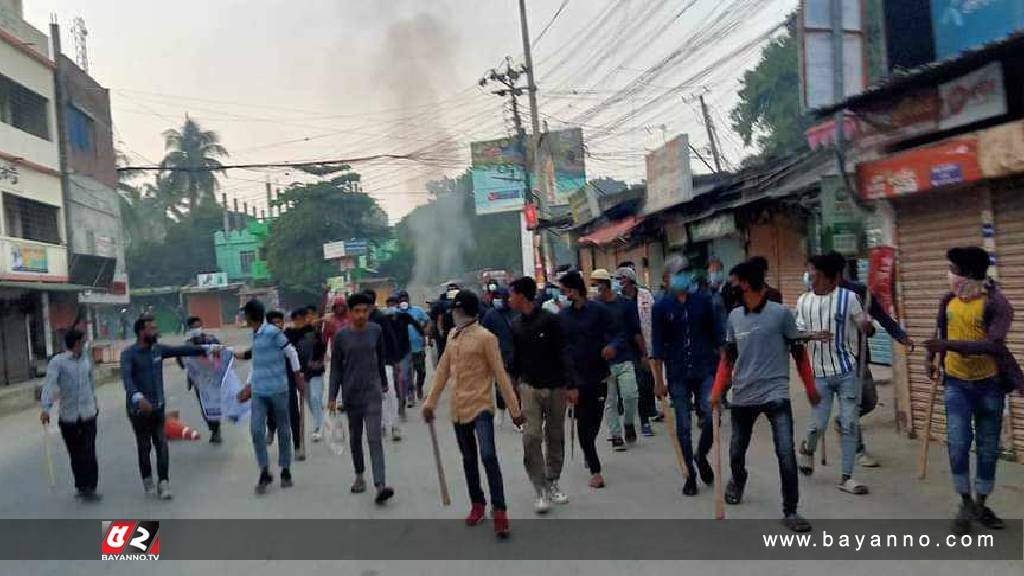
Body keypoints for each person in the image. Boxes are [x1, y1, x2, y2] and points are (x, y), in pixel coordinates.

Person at [711, 260, 821, 532]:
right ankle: (738, 480)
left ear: (747, 283)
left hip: (776, 392)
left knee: (785, 452)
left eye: (735, 281)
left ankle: (791, 510)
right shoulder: (734, 317)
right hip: (743, 395)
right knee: (736, 450)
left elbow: (799, 353)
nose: (731, 286)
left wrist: (810, 388)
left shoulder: (781, 314)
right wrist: (716, 392)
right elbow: (727, 359)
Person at [924, 246, 1020, 531]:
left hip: (989, 386)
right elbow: (939, 333)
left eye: (952, 269)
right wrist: (930, 358)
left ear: (967, 273)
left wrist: (949, 346)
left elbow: (993, 344)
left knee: (988, 448)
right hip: (956, 384)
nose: (949, 275)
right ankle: (965, 502)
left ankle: (980, 504)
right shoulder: (947, 302)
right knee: (957, 443)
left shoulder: (997, 304)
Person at [424, 289, 524, 537]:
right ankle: (477, 504)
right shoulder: (452, 336)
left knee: (488, 456)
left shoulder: (485, 338)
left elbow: (500, 375)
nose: (453, 315)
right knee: (469, 459)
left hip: (481, 406)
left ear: (465, 312)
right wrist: (430, 403)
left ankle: (499, 509)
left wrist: (514, 409)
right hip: (458, 409)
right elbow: (442, 372)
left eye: (456, 311)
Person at [795, 252, 874, 495]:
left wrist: (866, 325)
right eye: (810, 272)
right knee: (818, 424)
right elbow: (795, 334)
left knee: (850, 422)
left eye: (816, 274)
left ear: (833, 278)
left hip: (847, 370)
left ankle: (847, 476)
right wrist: (811, 335)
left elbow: (865, 326)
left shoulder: (848, 298)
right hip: (819, 373)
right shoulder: (803, 302)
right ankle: (808, 449)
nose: (811, 278)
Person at [121, 315, 216, 499]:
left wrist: (207, 349)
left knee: (162, 444)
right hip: (138, 410)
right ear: (142, 332)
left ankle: (163, 482)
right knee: (144, 446)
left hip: (157, 407)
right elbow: (127, 380)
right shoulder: (128, 354)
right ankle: (147, 479)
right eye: (151, 328)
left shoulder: (157, 350)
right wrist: (137, 397)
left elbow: (182, 350)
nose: (155, 331)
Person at [650, 259, 723, 496]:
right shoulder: (661, 307)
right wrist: (658, 381)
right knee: (682, 425)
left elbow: (718, 337)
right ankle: (689, 473)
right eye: (678, 273)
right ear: (667, 279)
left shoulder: (703, 302)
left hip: (704, 369)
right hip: (678, 372)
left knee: (712, 416)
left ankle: (701, 456)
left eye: (685, 272)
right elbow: (658, 347)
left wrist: (724, 371)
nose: (683, 276)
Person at [840, 259, 914, 468]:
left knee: (870, 401)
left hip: (859, 355)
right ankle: (858, 451)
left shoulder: (858, 291)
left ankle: (844, 422)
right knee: (852, 403)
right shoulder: (819, 297)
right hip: (836, 360)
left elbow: (881, 317)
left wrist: (900, 335)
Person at [509, 276, 574, 512]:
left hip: (556, 386)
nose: (508, 299)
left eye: (511, 294)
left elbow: (564, 351)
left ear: (522, 296)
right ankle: (539, 488)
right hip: (529, 387)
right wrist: (511, 391)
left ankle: (552, 480)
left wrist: (572, 384)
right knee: (531, 437)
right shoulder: (515, 325)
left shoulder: (551, 321)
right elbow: (514, 359)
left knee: (555, 435)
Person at [328, 292, 395, 505]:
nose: (361, 315)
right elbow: (336, 368)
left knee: (375, 438)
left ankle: (380, 484)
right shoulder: (341, 336)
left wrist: (384, 383)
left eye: (365, 311)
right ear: (349, 313)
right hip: (351, 393)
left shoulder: (376, 331)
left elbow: (380, 357)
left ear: (369, 311)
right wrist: (332, 396)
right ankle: (359, 475)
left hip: (373, 392)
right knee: (355, 437)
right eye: (356, 311)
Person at [235, 300, 305, 494]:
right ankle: (264, 470)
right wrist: (248, 386)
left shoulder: (273, 332)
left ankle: (285, 469)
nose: (243, 318)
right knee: (256, 430)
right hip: (259, 391)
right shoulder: (255, 335)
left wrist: (298, 376)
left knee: (284, 430)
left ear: (251, 316)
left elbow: (291, 353)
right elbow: (256, 363)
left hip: (279, 389)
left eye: (245, 315)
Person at [559, 270, 613, 489]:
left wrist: (613, 347)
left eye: (565, 291)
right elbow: (561, 352)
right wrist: (568, 385)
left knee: (595, 422)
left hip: (599, 375)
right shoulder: (563, 318)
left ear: (574, 290)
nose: (564, 295)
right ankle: (595, 469)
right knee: (583, 426)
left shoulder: (600, 311)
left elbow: (616, 334)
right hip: (577, 380)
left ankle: (587, 447)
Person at [41, 328, 101, 500]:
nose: (84, 344)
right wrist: (46, 408)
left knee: (89, 450)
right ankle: (81, 485)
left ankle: (91, 486)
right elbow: (49, 385)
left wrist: (95, 403)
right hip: (69, 417)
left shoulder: (86, 359)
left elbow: (91, 383)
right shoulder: (58, 362)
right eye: (82, 341)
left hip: (88, 414)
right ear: (76, 343)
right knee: (75, 452)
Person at [590, 269, 642, 451]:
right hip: (603, 363)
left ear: (606, 283)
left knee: (630, 395)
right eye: (593, 284)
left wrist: (644, 354)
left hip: (624, 357)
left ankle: (628, 423)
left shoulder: (625, 305)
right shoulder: (593, 307)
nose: (596, 288)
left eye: (598, 283)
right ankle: (616, 435)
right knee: (609, 401)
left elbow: (633, 331)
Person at [615, 265, 657, 436]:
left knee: (645, 383)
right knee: (634, 387)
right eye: (618, 279)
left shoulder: (645, 296)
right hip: (625, 348)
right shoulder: (617, 300)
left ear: (631, 280)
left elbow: (654, 318)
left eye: (623, 278)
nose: (620, 282)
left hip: (644, 344)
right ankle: (634, 419)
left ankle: (645, 419)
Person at [263, 310, 304, 459]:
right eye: (274, 323)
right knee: (270, 409)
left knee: (294, 413)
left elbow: (295, 354)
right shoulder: (263, 341)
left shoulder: (289, 335)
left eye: (280, 322)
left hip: (288, 381)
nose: (278, 326)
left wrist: (299, 376)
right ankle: (271, 427)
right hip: (269, 381)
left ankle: (298, 446)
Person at [176, 316, 223, 444]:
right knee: (204, 406)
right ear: (190, 328)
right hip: (197, 381)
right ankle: (213, 428)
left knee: (212, 404)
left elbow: (220, 351)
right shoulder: (187, 344)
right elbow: (181, 361)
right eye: (194, 327)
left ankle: (216, 429)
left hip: (212, 378)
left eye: (199, 326)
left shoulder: (210, 339)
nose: (197, 329)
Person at [364, 289, 402, 441]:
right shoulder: (360, 320)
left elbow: (391, 340)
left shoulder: (380, 318)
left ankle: (394, 425)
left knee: (389, 392)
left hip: (385, 361)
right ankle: (380, 424)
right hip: (367, 363)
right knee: (372, 396)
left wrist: (396, 361)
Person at [287, 307, 327, 443]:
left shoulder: (314, 331)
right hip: (300, 373)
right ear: (294, 319)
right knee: (310, 399)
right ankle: (319, 422)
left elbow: (322, 347)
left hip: (315, 369)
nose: (303, 320)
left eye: (305, 317)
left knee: (315, 397)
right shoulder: (290, 333)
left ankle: (321, 427)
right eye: (299, 318)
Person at [401, 292, 430, 403]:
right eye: (401, 299)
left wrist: (426, 331)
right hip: (404, 349)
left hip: (418, 346)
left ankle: (419, 387)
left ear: (408, 300)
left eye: (405, 299)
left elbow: (427, 321)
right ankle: (410, 395)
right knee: (407, 373)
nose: (404, 301)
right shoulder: (396, 313)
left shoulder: (417, 310)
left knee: (421, 371)